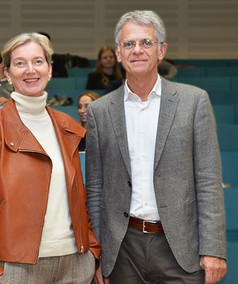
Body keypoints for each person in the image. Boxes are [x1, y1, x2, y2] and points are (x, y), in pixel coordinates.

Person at [85, 10, 227, 284]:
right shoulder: (99, 112)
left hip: (181, 250)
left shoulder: (194, 102)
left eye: (146, 43)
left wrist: (213, 249)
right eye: (129, 44)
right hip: (122, 250)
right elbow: (95, 189)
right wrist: (98, 252)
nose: (137, 50)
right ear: (117, 53)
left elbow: (209, 180)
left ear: (161, 50)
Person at [0, 32, 100, 284]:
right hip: (15, 268)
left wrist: (93, 253)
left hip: (76, 265)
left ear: (49, 70)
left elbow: (81, 197)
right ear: (9, 74)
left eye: (38, 61)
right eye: (20, 63)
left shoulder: (67, 126)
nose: (30, 70)